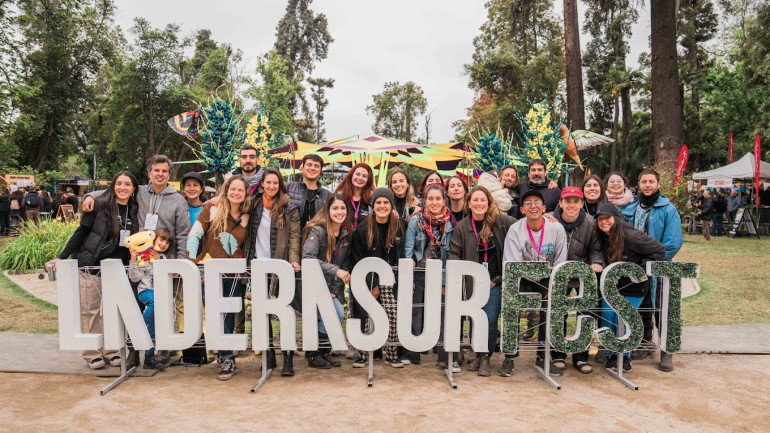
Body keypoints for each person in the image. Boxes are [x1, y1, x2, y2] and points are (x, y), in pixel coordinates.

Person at [46, 171, 140, 370]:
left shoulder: (134, 209)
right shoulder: (99, 205)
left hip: (118, 269)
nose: (123, 187)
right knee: (90, 311)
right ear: (113, 185)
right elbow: (81, 231)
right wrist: (62, 256)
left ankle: (111, 350)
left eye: (128, 184)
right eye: (119, 183)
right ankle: (92, 353)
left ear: (133, 189)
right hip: (93, 265)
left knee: (113, 311)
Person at [187, 175, 252, 380]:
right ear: (226, 189)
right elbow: (196, 233)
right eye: (232, 189)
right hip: (210, 270)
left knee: (229, 314)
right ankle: (226, 357)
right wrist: (191, 260)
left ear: (245, 193)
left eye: (240, 190)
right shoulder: (211, 209)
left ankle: (226, 355)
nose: (236, 193)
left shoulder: (247, 216)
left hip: (233, 272)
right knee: (217, 313)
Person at [448, 185, 516, 377]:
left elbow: (523, 225)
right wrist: (456, 268)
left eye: (482, 200)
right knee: (475, 319)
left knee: (491, 319)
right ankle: (477, 354)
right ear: (469, 204)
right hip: (472, 282)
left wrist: (546, 218)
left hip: (495, 280)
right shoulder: (463, 226)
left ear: (488, 202)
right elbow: (454, 251)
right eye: (475, 200)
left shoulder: (501, 222)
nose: (479, 203)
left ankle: (486, 356)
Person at [620, 168, 683, 372]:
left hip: (660, 267)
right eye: (644, 181)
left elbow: (673, 242)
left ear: (657, 184)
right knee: (641, 306)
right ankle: (645, 343)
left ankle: (667, 351)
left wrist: (654, 260)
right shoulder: (630, 209)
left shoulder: (667, 209)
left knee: (663, 308)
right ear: (638, 185)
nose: (647, 185)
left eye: (651, 182)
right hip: (636, 267)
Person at [503, 189, 568, 376]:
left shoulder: (556, 228)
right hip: (521, 277)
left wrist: (552, 286)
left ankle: (542, 356)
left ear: (544, 208)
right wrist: (517, 291)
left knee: (549, 309)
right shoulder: (515, 230)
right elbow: (511, 263)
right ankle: (509, 357)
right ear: (522, 209)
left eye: (537, 202)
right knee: (511, 308)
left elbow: (561, 260)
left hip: (546, 278)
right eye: (528, 203)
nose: (533, 206)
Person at [244, 168, 301, 377]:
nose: (271, 186)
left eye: (275, 183)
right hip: (258, 263)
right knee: (261, 312)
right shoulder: (253, 204)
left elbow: (295, 236)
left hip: (281, 264)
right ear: (262, 185)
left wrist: (294, 260)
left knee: (284, 312)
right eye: (268, 183)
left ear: (280, 185)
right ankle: (268, 353)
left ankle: (287, 355)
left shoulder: (289, 207)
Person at [596, 203, 665, 373]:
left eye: (607, 218)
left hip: (634, 286)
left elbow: (659, 250)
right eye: (600, 219)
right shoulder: (602, 236)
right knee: (608, 315)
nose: (604, 222)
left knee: (626, 319)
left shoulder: (632, 236)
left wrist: (637, 269)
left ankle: (624, 355)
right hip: (612, 286)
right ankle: (610, 354)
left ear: (617, 219)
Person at [82, 155, 190, 260]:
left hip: (163, 258)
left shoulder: (179, 200)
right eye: (156, 170)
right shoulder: (139, 192)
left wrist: (180, 262)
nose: (160, 174)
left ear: (169, 175)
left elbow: (182, 235)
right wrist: (89, 196)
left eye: (164, 171)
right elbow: (114, 191)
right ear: (149, 174)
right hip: (138, 255)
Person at [551, 187, 605, 374]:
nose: (571, 205)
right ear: (561, 203)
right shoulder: (549, 220)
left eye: (575, 201)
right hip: (557, 275)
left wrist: (597, 262)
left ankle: (581, 356)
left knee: (586, 312)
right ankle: (557, 354)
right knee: (558, 314)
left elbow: (596, 248)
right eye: (567, 201)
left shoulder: (591, 223)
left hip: (582, 275)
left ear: (581, 204)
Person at [351, 187, 406, 368]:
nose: (382, 206)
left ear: (391, 205)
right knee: (364, 316)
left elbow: (400, 256)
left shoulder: (398, 226)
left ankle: (391, 353)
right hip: (367, 280)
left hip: (389, 280)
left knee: (391, 314)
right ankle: (363, 354)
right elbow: (358, 259)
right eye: (378, 203)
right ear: (373, 206)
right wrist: (371, 286)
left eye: (386, 202)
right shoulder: (362, 228)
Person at [404, 184, 456, 370]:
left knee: (442, 313)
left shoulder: (451, 222)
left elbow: (451, 253)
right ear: (425, 200)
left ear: (444, 200)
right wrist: (409, 277)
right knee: (416, 311)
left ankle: (443, 356)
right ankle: (413, 353)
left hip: (441, 273)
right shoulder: (415, 221)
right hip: (420, 271)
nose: (434, 202)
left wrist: (443, 281)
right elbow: (409, 252)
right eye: (430, 199)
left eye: (438, 199)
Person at [301, 193, 352, 369]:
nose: (339, 212)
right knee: (333, 314)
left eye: (343, 208)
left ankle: (323, 352)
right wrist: (335, 271)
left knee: (336, 314)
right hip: (313, 285)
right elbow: (308, 258)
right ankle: (314, 354)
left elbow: (344, 264)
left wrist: (335, 291)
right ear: (328, 210)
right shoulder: (318, 230)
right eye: (335, 208)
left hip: (330, 288)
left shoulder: (345, 233)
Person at [128, 228, 175, 370]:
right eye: (161, 239)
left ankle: (149, 358)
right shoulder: (144, 258)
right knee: (155, 303)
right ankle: (139, 327)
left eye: (167, 242)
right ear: (153, 239)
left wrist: (159, 261)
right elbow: (135, 278)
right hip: (146, 292)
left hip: (160, 294)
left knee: (153, 327)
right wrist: (133, 260)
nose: (163, 244)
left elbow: (172, 274)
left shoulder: (167, 258)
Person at [288, 154, 330, 233]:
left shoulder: (327, 195)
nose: (312, 168)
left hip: (316, 241)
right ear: (302, 168)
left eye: (316, 166)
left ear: (320, 171)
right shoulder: (288, 188)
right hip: (291, 240)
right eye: (309, 165)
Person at [334, 162, 374, 229]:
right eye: (357, 174)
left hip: (364, 238)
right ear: (352, 175)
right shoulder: (340, 196)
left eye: (364, 176)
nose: (360, 178)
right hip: (343, 237)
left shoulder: (371, 198)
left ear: (368, 180)